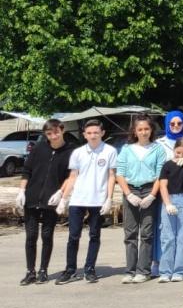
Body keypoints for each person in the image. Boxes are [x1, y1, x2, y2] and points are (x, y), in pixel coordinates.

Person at [56, 119, 117, 284]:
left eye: (96, 132)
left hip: (98, 199)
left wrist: (109, 198)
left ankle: (90, 268)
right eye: (89, 133)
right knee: (73, 236)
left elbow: (111, 176)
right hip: (78, 199)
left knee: (94, 235)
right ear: (84, 134)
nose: (93, 136)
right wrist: (64, 198)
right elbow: (73, 176)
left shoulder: (110, 151)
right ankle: (70, 269)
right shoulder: (78, 152)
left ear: (102, 133)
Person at [16, 119, 73, 285]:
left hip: (51, 198)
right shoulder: (39, 148)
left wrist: (61, 193)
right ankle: (30, 271)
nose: (53, 136)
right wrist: (22, 191)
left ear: (62, 130)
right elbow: (27, 170)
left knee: (47, 235)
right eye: (49, 134)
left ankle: (43, 270)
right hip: (32, 197)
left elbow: (71, 176)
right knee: (31, 236)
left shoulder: (70, 150)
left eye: (55, 132)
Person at [116, 115, 165, 283]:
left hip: (149, 189)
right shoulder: (126, 149)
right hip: (130, 189)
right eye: (140, 129)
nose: (143, 132)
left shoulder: (158, 149)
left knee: (146, 233)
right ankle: (129, 270)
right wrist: (128, 193)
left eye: (146, 129)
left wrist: (152, 195)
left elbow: (160, 174)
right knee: (130, 233)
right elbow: (120, 173)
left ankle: (143, 270)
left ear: (151, 130)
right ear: (135, 131)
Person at [154, 110, 183, 276]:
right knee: (167, 236)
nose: (176, 126)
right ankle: (163, 269)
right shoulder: (161, 147)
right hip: (168, 199)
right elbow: (162, 184)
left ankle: (180, 270)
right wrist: (167, 203)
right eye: (172, 123)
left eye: (179, 123)